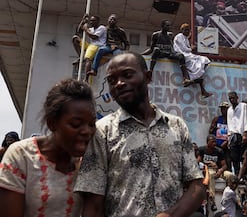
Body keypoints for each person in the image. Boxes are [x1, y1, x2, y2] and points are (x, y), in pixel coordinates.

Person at [74, 52, 205, 217]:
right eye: (112, 81)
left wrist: (171, 215)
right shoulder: (102, 131)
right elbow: (93, 203)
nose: (119, 84)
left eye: (127, 75)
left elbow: (197, 186)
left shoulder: (176, 125)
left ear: (148, 77)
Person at [0, 78, 96, 217]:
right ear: (52, 123)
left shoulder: (88, 163)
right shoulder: (21, 156)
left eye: (91, 124)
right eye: (76, 124)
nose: (87, 131)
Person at [141, 20, 192, 86]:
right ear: (162, 26)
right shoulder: (156, 35)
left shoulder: (170, 35)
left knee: (181, 55)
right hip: (161, 53)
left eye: (169, 26)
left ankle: (185, 78)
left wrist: (177, 53)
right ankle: (150, 71)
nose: (169, 27)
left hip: (169, 53)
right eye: (167, 25)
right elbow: (151, 49)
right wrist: (141, 54)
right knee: (156, 49)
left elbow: (172, 47)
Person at [173, 23, 212, 98]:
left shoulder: (186, 38)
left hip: (187, 55)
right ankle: (193, 78)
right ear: (182, 30)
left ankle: (194, 78)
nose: (187, 31)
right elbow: (184, 49)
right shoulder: (179, 36)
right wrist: (191, 48)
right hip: (182, 54)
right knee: (201, 60)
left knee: (204, 60)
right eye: (186, 30)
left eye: (188, 30)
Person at [198, 134, 234, 211]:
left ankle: (234, 196)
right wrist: (207, 164)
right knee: (211, 174)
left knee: (231, 176)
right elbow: (198, 162)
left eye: (215, 142)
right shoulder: (202, 149)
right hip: (207, 170)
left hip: (218, 170)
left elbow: (224, 166)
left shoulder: (219, 151)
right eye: (212, 142)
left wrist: (220, 171)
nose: (215, 144)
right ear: (208, 142)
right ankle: (212, 200)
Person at [227, 91, 247, 175]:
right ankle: (236, 175)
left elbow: (246, 119)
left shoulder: (243, 106)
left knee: (243, 156)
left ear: (237, 98)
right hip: (233, 135)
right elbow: (229, 124)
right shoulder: (229, 110)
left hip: (241, 133)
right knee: (234, 157)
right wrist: (229, 137)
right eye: (230, 98)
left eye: (233, 98)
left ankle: (243, 175)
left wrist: (245, 133)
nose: (232, 100)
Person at [209, 101, 230, 170]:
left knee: (227, 162)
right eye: (221, 109)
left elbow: (233, 132)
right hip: (217, 145)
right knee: (217, 162)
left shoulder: (231, 120)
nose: (222, 110)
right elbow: (210, 132)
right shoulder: (217, 119)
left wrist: (227, 142)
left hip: (227, 146)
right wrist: (214, 128)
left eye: (224, 109)